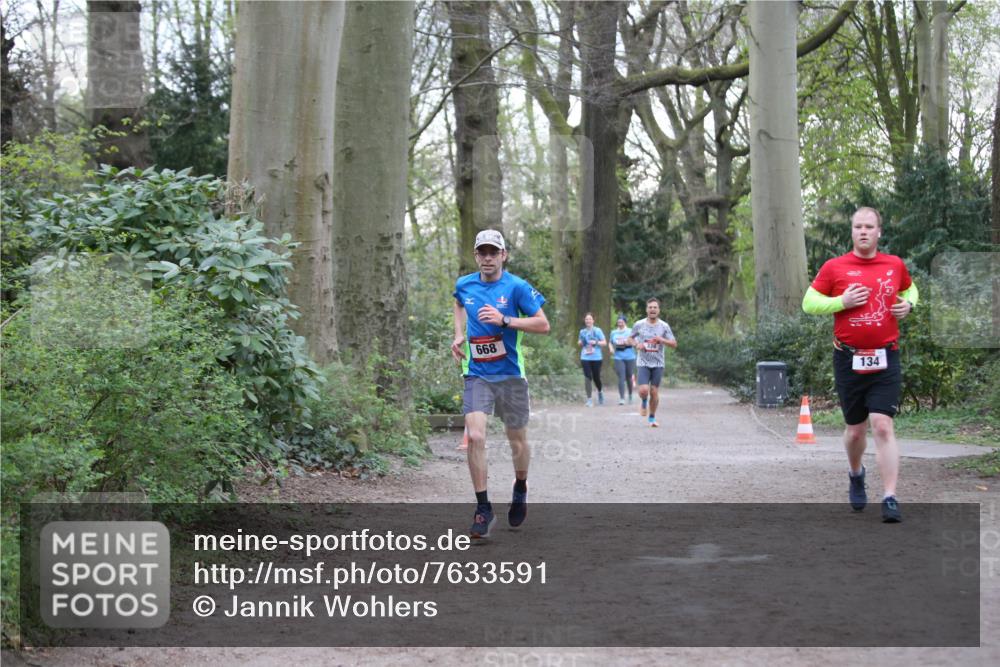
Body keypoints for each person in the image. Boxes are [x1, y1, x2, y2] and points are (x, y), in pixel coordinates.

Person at [802, 206, 918, 523]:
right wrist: (842, 302)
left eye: (869, 226)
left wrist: (910, 304)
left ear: (879, 232)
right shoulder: (834, 267)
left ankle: (890, 497)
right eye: (858, 227)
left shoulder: (894, 265)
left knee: (882, 424)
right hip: (848, 357)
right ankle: (856, 473)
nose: (863, 231)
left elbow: (909, 289)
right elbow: (809, 303)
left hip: (886, 355)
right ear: (852, 232)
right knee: (855, 432)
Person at [451, 229, 550, 538]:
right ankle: (483, 509)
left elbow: (543, 324)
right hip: (477, 372)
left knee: (516, 440)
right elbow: (458, 303)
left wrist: (505, 320)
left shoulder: (517, 287)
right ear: (476, 256)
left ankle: (520, 485)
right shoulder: (464, 285)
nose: (488, 257)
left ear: (504, 255)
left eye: (494, 252)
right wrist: (458, 333)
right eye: (483, 252)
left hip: (509, 375)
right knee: (476, 436)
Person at [630, 298, 677, 428]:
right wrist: (637, 344)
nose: (652, 310)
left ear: (658, 310)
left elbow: (674, 344)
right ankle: (644, 401)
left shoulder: (664, 326)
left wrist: (662, 340)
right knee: (644, 390)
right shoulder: (639, 324)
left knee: (654, 392)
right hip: (643, 362)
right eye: (650, 307)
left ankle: (652, 418)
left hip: (658, 364)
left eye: (655, 307)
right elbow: (630, 338)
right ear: (646, 310)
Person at [578, 312, 607, 406]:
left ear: (593, 320)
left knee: (596, 377)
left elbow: (604, 343)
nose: (588, 321)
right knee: (587, 377)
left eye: (590, 319)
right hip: (585, 356)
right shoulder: (582, 331)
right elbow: (579, 343)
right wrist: (581, 342)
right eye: (586, 319)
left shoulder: (597, 331)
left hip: (596, 357)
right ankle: (589, 399)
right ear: (584, 321)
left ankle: (600, 392)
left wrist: (596, 342)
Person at [609, 314, 637, 405]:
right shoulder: (613, 332)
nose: (620, 323)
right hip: (618, 356)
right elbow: (610, 342)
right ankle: (622, 398)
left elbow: (635, 343)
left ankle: (630, 395)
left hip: (630, 356)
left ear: (625, 322)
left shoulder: (630, 331)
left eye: (621, 321)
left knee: (629, 376)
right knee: (621, 377)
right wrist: (611, 348)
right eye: (618, 321)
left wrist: (628, 343)